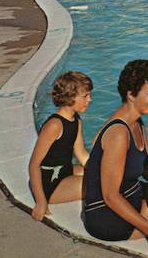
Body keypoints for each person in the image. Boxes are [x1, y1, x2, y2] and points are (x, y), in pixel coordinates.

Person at [82, 60, 148, 252]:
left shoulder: (138, 123)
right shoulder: (118, 134)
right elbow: (110, 196)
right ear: (131, 94)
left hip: (131, 196)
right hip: (107, 216)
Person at [28, 72, 92, 221]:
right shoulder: (54, 125)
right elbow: (34, 165)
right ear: (71, 97)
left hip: (65, 171)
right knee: (98, 185)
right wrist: (40, 201)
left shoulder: (76, 120)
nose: (90, 99)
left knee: (105, 175)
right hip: (49, 183)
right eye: (85, 96)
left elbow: (81, 154)